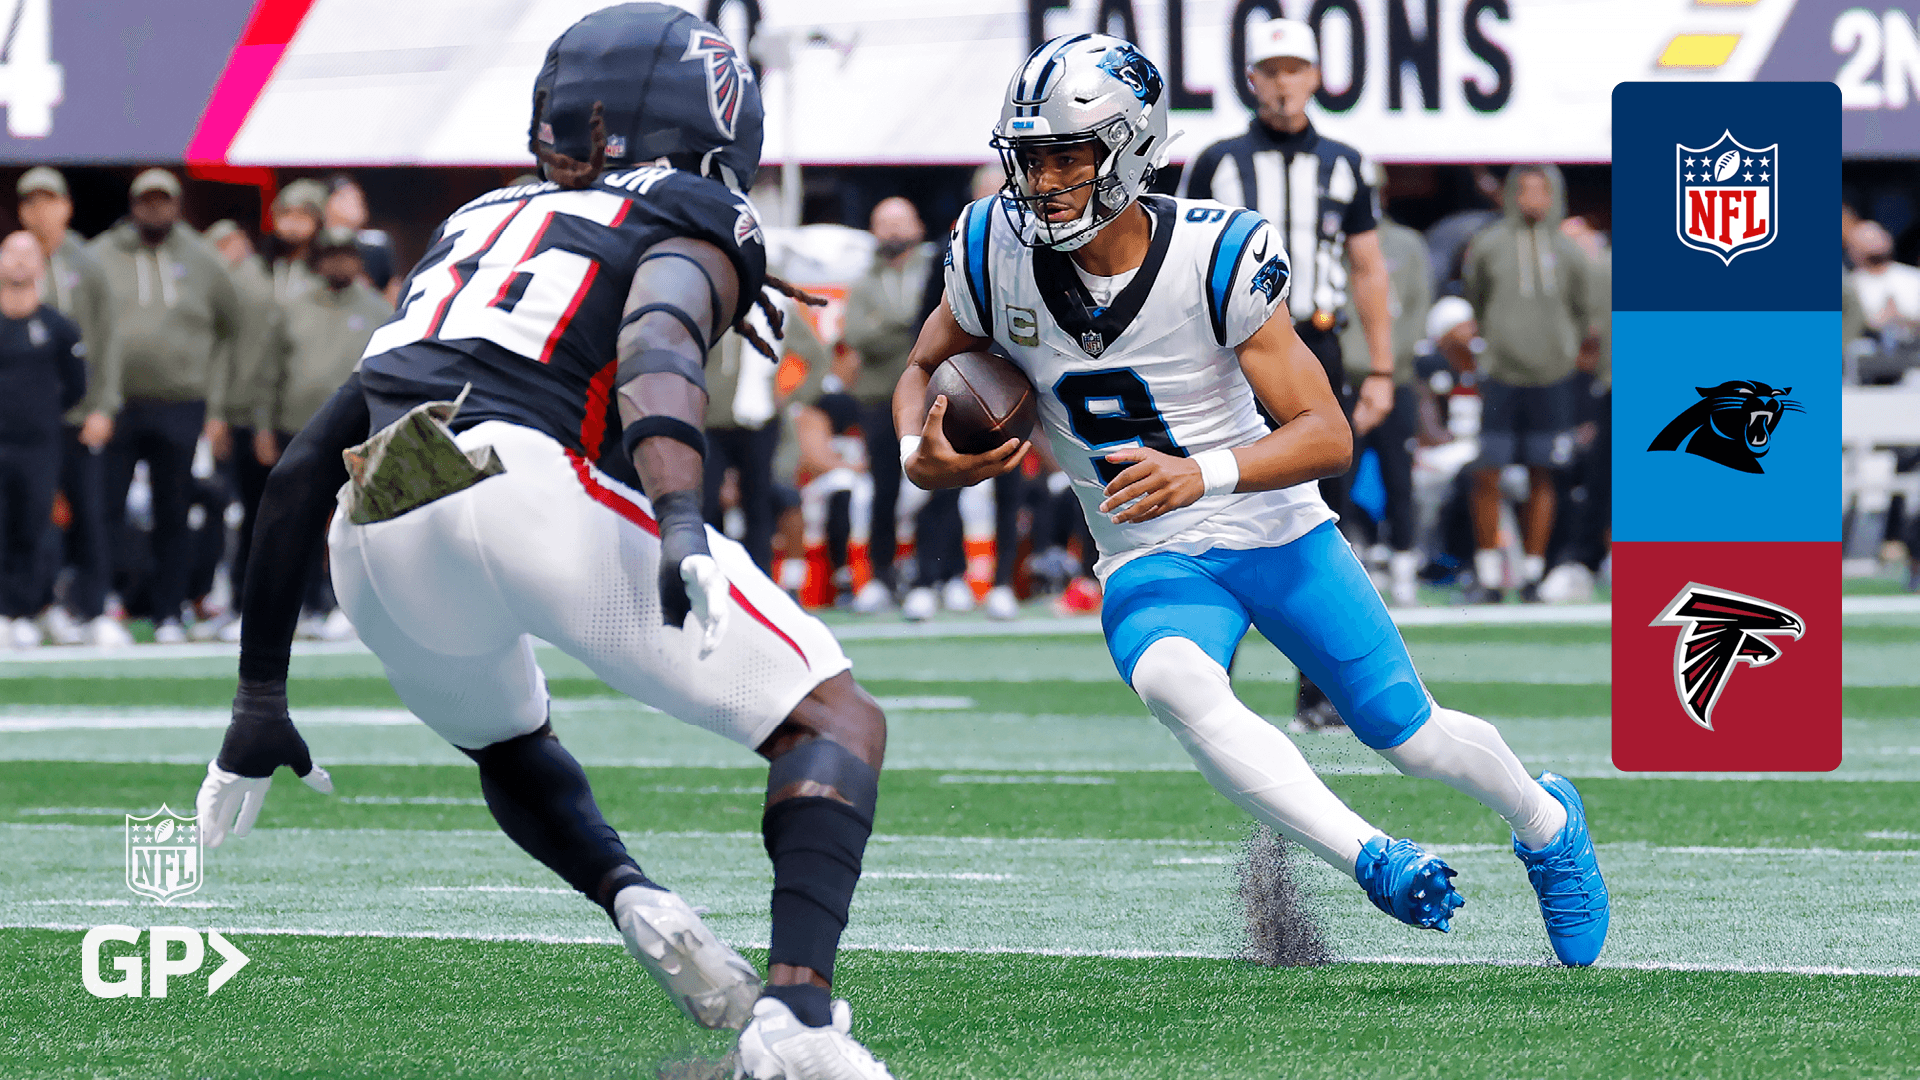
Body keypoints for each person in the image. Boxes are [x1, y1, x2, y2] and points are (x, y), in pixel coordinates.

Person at [193, 7, 895, 1077]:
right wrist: (681, 515)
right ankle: (796, 1020)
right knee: (833, 716)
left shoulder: (475, 221)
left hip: (371, 523)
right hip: (514, 488)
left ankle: (630, 894)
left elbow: (297, 475)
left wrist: (258, 702)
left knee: (508, 740)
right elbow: (658, 341)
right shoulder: (690, 206)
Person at [894, 34, 1608, 968]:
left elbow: (1326, 433)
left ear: (1133, 148)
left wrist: (1205, 471)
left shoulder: (1214, 252)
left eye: (1069, 155)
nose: (1044, 181)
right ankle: (1373, 858)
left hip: (1273, 525)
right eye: (1030, 158)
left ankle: (1547, 823)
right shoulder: (991, 245)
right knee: (1172, 680)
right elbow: (923, 365)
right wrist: (917, 451)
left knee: (1411, 736)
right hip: (1148, 550)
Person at [1181, 18, 1398, 729]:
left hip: (1317, 342)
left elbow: (1367, 268)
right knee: (1216, 508)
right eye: (1270, 70)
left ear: (1314, 77)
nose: (1282, 83)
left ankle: (1318, 689)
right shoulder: (1216, 161)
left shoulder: (1344, 163)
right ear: (1252, 79)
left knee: (1320, 514)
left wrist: (1382, 367)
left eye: (1294, 69)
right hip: (1232, 351)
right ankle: (1209, 681)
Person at [90, 169, 242, 642]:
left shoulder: (202, 258)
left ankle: (169, 611)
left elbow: (231, 327)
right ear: (133, 205)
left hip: (181, 402)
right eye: (146, 201)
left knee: (173, 511)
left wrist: (216, 403)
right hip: (117, 402)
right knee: (107, 507)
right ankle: (104, 603)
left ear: (176, 205)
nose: (154, 209)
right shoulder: (101, 255)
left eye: (163, 200)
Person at [1461, 164, 1595, 602]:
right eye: (1524, 190)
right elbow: (1476, 296)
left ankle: (1533, 573)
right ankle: (1487, 574)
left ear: (1554, 195)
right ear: (1511, 194)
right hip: (1500, 374)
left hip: (1552, 376)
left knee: (1544, 472)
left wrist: (1564, 349)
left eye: (1541, 190)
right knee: (1487, 471)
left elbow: (1584, 309)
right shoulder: (1489, 243)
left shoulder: (1570, 250)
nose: (1531, 199)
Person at [256, 227, 393, 639]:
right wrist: (263, 426)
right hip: (298, 428)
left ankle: (346, 604)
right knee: (299, 522)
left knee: (355, 522)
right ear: (318, 261)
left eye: (346, 255)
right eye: (330, 255)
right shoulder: (292, 307)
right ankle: (306, 605)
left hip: (359, 432)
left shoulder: (378, 310)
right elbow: (269, 372)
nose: (339, 263)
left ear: (359, 261)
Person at [15, 167, 131, 646]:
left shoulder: (88, 263)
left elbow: (108, 338)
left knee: (89, 512)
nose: (41, 211)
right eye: (31, 202)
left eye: (50, 200)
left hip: (80, 415)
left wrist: (104, 405)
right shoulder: (13, 262)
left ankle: (92, 608)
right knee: (27, 514)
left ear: (66, 206)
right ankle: (32, 607)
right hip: (28, 419)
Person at [841, 196, 935, 613]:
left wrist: (893, 324)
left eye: (901, 222)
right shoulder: (864, 280)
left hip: (932, 396)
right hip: (880, 398)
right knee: (883, 490)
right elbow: (858, 335)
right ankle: (881, 575)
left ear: (917, 226)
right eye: (884, 223)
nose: (894, 232)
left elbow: (938, 320)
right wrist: (909, 324)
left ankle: (936, 576)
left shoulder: (935, 269)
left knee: (940, 485)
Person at [1339, 211, 1431, 606]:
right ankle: (1343, 565)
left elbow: (1419, 306)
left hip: (1396, 375)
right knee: (1335, 477)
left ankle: (1404, 562)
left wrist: (1390, 364)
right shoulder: (1332, 239)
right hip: (1340, 377)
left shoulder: (1407, 243)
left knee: (1400, 475)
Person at [0, 233, 87, 648]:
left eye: (28, 255)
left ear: (41, 265)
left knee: (34, 525)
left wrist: (42, 416)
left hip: (39, 445)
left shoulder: (57, 326)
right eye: (11, 253)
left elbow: (76, 386)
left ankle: (29, 610)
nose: (19, 262)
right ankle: (2, 611)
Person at [205, 220, 280, 638]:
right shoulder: (235, 284)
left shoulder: (258, 282)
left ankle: (249, 601)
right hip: (241, 412)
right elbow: (221, 350)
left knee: (256, 514)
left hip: (265, 412)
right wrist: (216, 410)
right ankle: (234, 599)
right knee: (242, 512)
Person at [323, 175, 402, 305]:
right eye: (344, 197)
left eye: (357, 197)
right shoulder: (317, 243)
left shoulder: (376, 242)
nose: (354, 202)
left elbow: (392, 290)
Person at [1848, 221, 1920, 337]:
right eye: (1867, 240)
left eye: (1876, 238)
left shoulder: (1913, 277)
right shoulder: (1851, 286)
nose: (1873, 244)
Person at [268, 179, 329, 302]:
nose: (293, 222)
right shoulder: (265, 261)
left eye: (303, 214)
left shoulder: (329, 265)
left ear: (319, 220)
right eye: (286, 213)